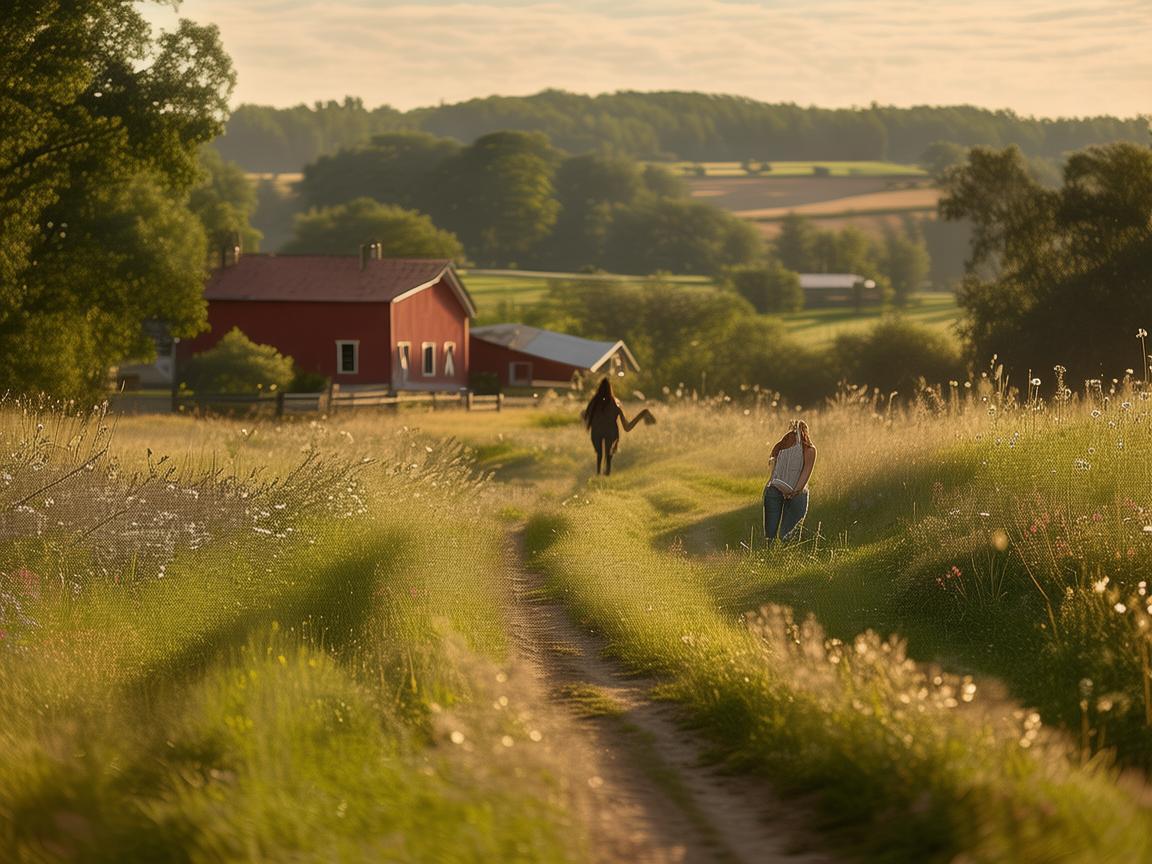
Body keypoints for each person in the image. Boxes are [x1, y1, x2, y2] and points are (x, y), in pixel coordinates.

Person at [581, 377, 655, 475]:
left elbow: (585, 417)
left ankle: (598, 474)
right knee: (608, 457)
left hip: (596, 434)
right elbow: (627, 427)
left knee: (599, 455)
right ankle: (605, 474)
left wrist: (586, 416)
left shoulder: (593, 404)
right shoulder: (615, 406)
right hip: (611, 433)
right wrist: (642, 414)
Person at [763, 419, 816, 544]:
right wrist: (793, 490)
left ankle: (778, 554)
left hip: (789, 491)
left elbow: (805, 473)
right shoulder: (783, 447)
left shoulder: (808, 449)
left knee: (784, 535)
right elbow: (774, 471)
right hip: (781, 490)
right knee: (775, 535)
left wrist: (793, 492)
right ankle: (772, 555)